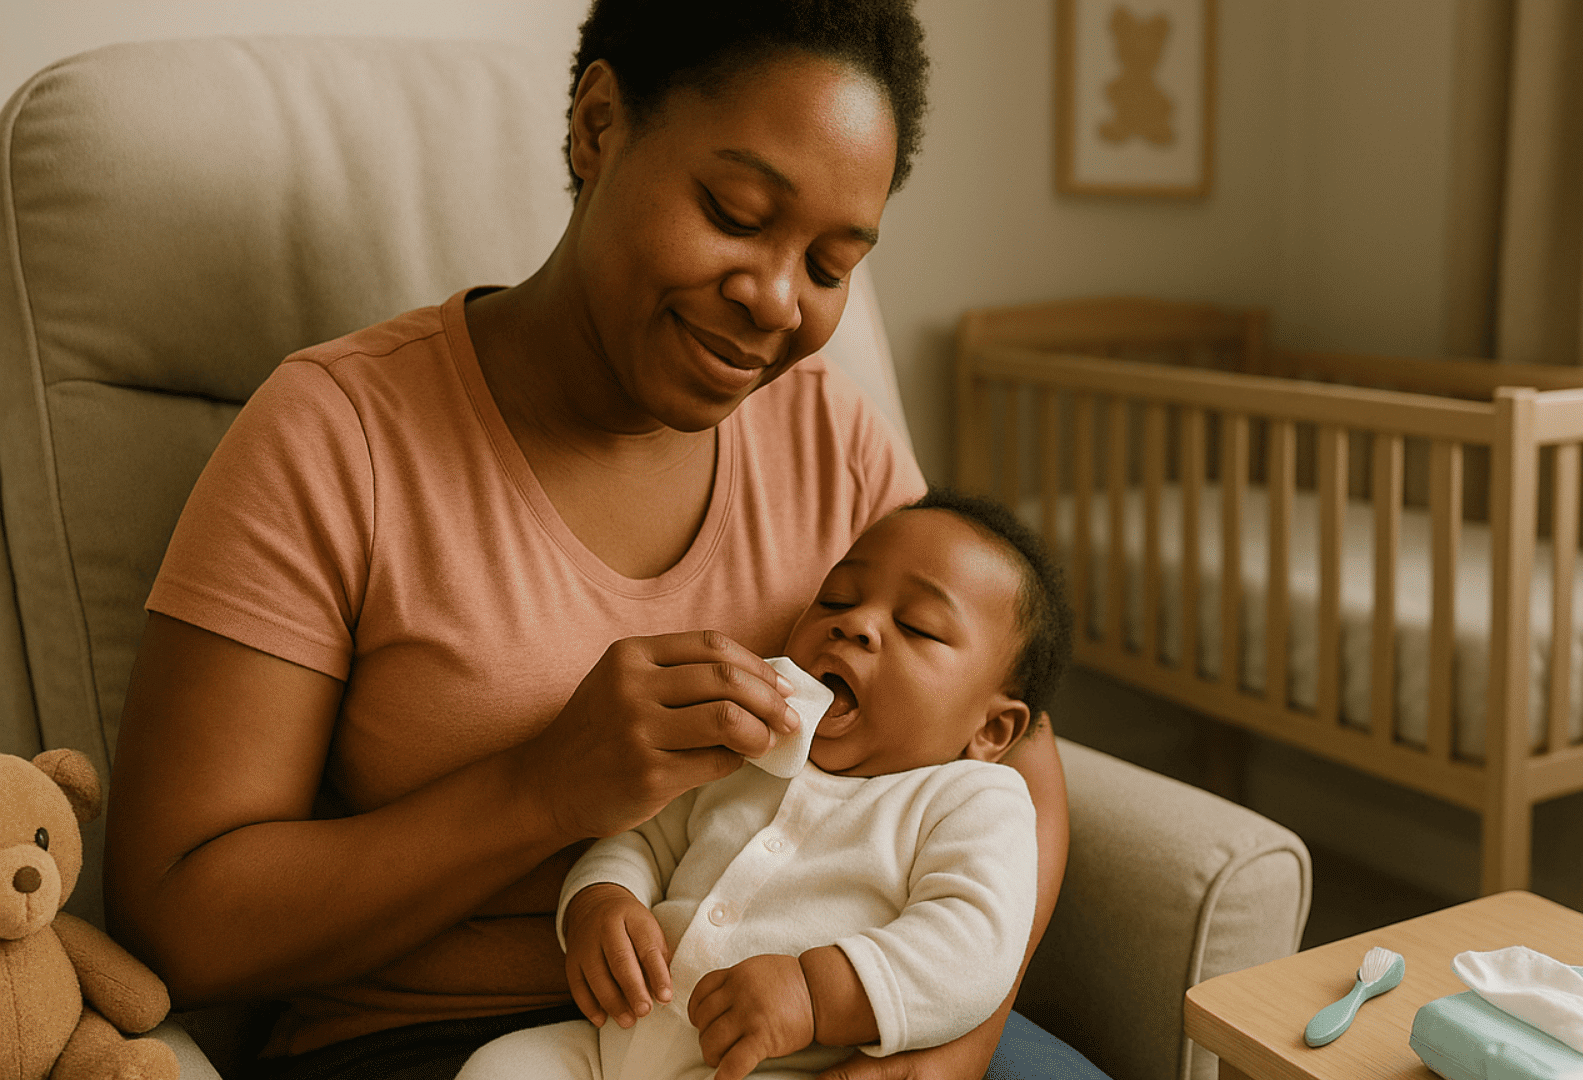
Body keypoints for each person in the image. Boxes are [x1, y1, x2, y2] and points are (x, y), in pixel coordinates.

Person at [102, 3, 1099, 1078]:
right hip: (441, 1043)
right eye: (734, 211)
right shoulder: (334, 436)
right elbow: (178, 919)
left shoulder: (832, 435)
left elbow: (1018, 763)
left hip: (798, 1026)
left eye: (828, 265)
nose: (774, 300)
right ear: (597, 125)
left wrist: (948, 1041)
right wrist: (539, 792)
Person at [455, 488, 1073, 1080]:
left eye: (918, 626)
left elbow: (971, 945)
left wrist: (815, 991)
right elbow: (644, 840)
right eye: (835, 600)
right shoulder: (747, 747)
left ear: (991, 729)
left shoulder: (970, 801)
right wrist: (604, 899)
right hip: (616, 1047)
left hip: (786, 1066)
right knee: (499, 1068)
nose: (855, 624)